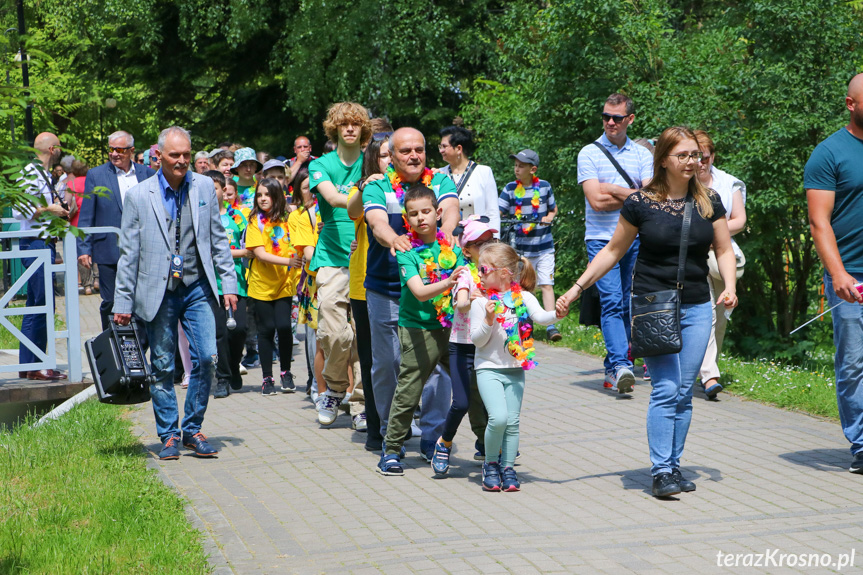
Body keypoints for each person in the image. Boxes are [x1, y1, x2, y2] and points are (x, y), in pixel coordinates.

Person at [557, 126, 738, 498]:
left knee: (685, 390)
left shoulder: (710, 202)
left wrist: (731, 287)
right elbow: (612, 250)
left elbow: (722, 249)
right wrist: (577, 287)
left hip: (697, 305)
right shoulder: (641, 203)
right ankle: (661, 471)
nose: (693, 162)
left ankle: (673, 464)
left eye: (696, 155)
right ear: (664, 160)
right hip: (653, 304)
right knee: (666, 388)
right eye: (684, 155)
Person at [113, 126, 238, 461]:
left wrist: (229, 285)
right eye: (175, 155)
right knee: (164, 365)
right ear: (159, 156)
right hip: (159, 290)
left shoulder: (203, 188)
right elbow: (129, 254)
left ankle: (192, 428)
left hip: (197, 286)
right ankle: (168, 434)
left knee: (208, 357)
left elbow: (218, 238)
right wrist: (123, 302)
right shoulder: (139, 195)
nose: (182, 161)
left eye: (186, 154)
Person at [355, 126, 461, 460]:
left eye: (419, 149)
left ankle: (432, 437)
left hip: (433, 291)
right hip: (385, 289)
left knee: (435, 368)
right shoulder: (379, 184)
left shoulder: (441, 181)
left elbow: (451, 214)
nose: (413, 156)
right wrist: (397, 241)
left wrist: (436, 248)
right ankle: (392, 437)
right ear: (393, 155)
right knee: (386, 365)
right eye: (405, 151)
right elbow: (375, 221)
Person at [376, 185, 466, 476]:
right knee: (409, 391)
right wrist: (450, 282)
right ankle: (390, 451)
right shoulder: (406, 251)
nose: (420, 218)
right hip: (418, 329)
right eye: (413, 214)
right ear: (406, 219)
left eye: (426, 211)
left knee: (471, 387)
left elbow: (470, 281)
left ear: (438, 213)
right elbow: (419, 292)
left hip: (453, 329)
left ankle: (490, 446)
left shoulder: (453, 248)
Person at [805, 73, 863, 475]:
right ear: (851, 104)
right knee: (854, 363)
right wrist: (837, 273)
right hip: (852, 275)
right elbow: (818, 222)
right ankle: (862, 441)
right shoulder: (829, 153)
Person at [576, 93, 654, 392]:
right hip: (600, 239)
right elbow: (596, 201)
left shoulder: (643, 155)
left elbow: (650, 199)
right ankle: (623, 365)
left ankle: (613, 369)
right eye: (606, 116)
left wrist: (612, 188)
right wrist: (631, 192)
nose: (610, 122)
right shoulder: (589, 153)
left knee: (629, 303)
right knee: (611, 302)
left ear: (630, 119)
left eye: (617, 118)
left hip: (634, 238)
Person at [472, 243, 556, 491]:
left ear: (504, 272)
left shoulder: (525, 298)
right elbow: (477, 341)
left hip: (515, 369)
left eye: (484, 269)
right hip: (488, 368)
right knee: (498, 418)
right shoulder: (481, 303)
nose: (479, 274)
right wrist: (488, 319)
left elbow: (541, 317)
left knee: (512, 422)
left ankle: (507, 468)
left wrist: (558, 313)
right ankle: (490, 464)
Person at [307, 102, 369, 426]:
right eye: (343, 124)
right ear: (334, 128)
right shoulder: (321, 164)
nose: (349, 128)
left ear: (363, 129)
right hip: (331, 259)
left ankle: (358, 405)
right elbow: (333, 199)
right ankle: (334, 387)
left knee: (360, 335)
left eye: (355, 124)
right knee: (335, 333)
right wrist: (365, 193)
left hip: (365, 260)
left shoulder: (372, 163)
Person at [431, 216, 494, 475]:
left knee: (492, 403)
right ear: (467, 250)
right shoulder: (466, 273)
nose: (488, 247)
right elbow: (461, 302)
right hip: (462, 346)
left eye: (491, 241)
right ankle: (444, 443)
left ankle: (493, 451)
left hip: (488, 347)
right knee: (461, 403)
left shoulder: (497, 274)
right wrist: (471, 299)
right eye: (481, 243)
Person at [78, 130, 156, 330]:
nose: (114, 154)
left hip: (142, 250)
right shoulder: (96, 175)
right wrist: (84, 248)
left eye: (119, 150)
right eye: (111, 149)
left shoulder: (146, 174)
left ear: (131, 151)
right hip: (108, 249)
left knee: (141, 302)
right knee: (111, 301)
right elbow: (87, 214)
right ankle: (112, 343)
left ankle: (139, 346)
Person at [346, 125, 391, 448]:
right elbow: (352, 210)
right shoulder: (367, 187)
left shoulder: (411, 188)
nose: (390, 161)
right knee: (372, 358)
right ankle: (375, 427)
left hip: (406, 285)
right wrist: (364, 186)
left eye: (393, 154)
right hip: (365, 286)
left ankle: (399, 420)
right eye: (385, 155)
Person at [694, 130, 747, 399]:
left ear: (712, 156)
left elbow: (739, 220)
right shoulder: (684, 182)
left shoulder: (728, 183)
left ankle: (705, 366)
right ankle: (709, 375)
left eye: (704, 157)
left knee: (722, 314)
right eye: (695, 156)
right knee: (707, 313)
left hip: (723, 256)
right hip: (695, 256)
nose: (700, 163)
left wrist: (715, 231)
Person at [12, 132, 68, 381]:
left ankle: (33, 364)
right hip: (34, 243)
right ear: (52, 149)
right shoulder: (30, 173)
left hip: (43, 243)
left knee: (40, 304)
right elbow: (18, 211)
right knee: (40, 305)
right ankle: (34, 365)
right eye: (59, 147)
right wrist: (50, 209)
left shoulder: (43, 174)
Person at [245, 178, 302, 395]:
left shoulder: (288, 220)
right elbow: (260, 254)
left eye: (267, 195)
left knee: (285, 327)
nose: (262, 199)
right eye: (259, 195)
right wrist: (289, 262)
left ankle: (286, 372)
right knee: (266, 330)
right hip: (261, 284)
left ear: (277, 196)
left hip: (284, 284)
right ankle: (267, 378)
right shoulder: (254, 222)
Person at [499, 149, 561, 341]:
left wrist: (549, 217)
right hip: (521, 249)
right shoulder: (510, 188)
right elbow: (498, 211)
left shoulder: (544, 187)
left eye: (521, 166)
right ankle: (525, 324)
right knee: (523, 286)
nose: (516, 169)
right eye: (515, 165)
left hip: (543, 246)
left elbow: (553, 209)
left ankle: (551, 325)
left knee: (546, 284)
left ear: (532, 169)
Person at [208, 170, 250, 398]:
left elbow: (250, 247)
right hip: (213, 284)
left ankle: (235, 364)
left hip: (237, 283)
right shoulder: (200, 217)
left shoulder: (237, 218)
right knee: (221, 332)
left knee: (240, 329)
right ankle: (222, 377)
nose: (214, 192)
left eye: (217, 187)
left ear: (225, 191)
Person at [438, 125, 500, 235]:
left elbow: (492, 211)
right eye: (440, 146)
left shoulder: (483, 172)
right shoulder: (440, 174)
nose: (441, 150)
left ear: (458, 149)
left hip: (477, 238)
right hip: (449, 239)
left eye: (444, 146)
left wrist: (495, 239)